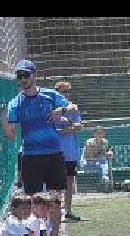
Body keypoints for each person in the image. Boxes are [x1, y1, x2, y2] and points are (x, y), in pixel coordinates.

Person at [0, 59, 79, 236]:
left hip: (53, 153)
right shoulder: (15, 103)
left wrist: (62, 111)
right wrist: (4, 118)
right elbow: (11, 135)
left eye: (25, 75)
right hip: (31, 156)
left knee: (55, 197)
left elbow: (73, 108)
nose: (22, 79)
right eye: (19, 76)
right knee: (31, 200)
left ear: (34, 75)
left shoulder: (50, 95)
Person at [26, 192, 96, 236]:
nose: (46, 210)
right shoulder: (34, 220)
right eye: (42, 208)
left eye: (47, 208)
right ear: (33, 208)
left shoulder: (42, 219)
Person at [54, 80, 84, 221]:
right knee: (56, 184)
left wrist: (68, 127)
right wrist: (67, 128)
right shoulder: (53, 108)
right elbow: (55, 129)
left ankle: (68, 210)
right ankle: (55, 211)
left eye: (67, 91)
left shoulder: (73, 107)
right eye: (63, 91)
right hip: (56, 151)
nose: (65, 94)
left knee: (69, 182)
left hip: (71, 152)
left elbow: (79, 126)